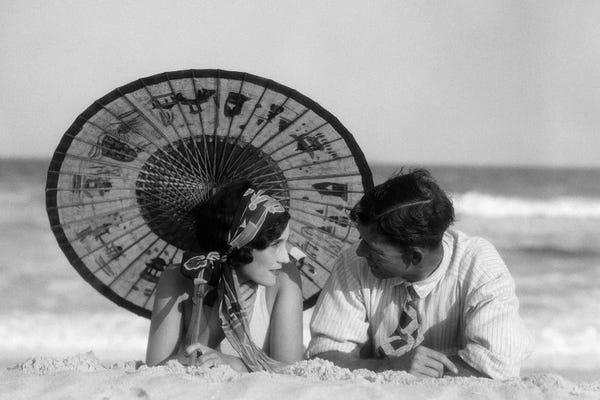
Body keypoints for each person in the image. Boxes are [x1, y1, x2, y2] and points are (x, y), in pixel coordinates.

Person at [307, 169, 532, 379]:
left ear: (414, 256)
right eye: (362, 240)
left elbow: (498, 363)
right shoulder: (354, 263)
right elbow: (324, 356)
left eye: (372, 247)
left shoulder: (479, 265)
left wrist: (420, 371)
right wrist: (390, 368)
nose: (359, 251)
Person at [146, 181, 303, 372]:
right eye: (275, 244)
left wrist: (232, 363)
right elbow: (153, 373)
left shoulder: (284, 279)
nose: (285, 257)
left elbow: (292, 373)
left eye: (285, 243)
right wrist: (213, 329)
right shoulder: (178, 279)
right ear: (241, 244)